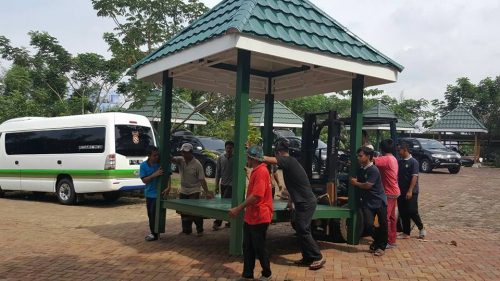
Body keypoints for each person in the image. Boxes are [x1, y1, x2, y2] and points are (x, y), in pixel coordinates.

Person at [263, 140, 325, 270]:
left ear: (279, 153)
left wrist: (253, 153)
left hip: (306, 203)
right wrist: (290, 203)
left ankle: (318, 256)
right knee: (300, 228)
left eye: (276, 154)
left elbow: (269, 160)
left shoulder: (288, 160)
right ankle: (308, 257)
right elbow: (293, 186)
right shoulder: (289, 165)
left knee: (303, 229)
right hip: (302, 202)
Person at [229, 145, 273, 281]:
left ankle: (267, 273)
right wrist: (249, 175)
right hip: (251, 216)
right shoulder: (257, 171)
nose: (246, 159)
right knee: (248, 246)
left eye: (247, 157)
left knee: (259, 247)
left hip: (259, 216)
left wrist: (238, 208)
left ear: (252, 158)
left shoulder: (261, 172)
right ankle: (247, 274)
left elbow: (257, 196)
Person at [350, 146, 388, 256]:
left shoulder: (373, 170)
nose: (358, 158)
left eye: (361, 156)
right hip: (368, 202)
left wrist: (355, 183)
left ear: (369, 157)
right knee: (368, 224)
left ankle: (381, 247)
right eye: (358, 156)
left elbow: (368, 185)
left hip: (379, 201)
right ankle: (377, 242)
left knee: (383, 224)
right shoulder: (361, 169)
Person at [172, 143, 212, 236]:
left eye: (186, 152)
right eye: (182, 152)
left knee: (194, 211)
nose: (184, 154)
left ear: (191, 152)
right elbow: (171, 158)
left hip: (194, 190)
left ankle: (200, 229)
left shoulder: (197, 164)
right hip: (183, 190)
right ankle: (186, 230)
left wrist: (207, 192)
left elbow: (202, 179)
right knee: (183, 211)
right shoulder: (180, 160)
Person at [374, 139, 400, 248]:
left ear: (382, 148)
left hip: (388, 192)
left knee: (385, 218)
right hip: (394, 191)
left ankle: (386, 241)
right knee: (392, 217)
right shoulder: (393, 158)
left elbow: (370, 160)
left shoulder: (385, 159)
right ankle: (392, 239)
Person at [397, 142, 426, 239]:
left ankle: (421, 228)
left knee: (412, 211)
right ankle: (406, 233)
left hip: (411, 191)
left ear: (405, 150)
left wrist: (410, 191)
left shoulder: (414, 162)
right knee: (403, 212)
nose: (398, 152)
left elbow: (414, 177)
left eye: (399, 150)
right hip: (400, 191)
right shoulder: (400, 162)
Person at [140, 146, 168, 241]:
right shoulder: (143, 166)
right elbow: (144, 180)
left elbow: (169, 174)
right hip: (150, 194)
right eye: (154, 155)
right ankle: (154, 233)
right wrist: (154, 175)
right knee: (151, 214)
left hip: (160, 194)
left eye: (157, 155)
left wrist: (169, 186)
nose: (156, 157)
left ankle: (156, 233)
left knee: (157, 214)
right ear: (149, 156)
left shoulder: (160, 164)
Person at [213, 140, 234, 231]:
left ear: (233, 149)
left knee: (226, 203)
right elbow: (218, 172)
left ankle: (217, 222)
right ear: (225, 148)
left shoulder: (236, 158)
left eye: (230, 148)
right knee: (225, 203)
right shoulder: (221, 158)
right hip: (223, 184)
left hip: (232, 185)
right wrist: (216, 185)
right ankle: (230, 221)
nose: (229, 150)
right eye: (227, 148)